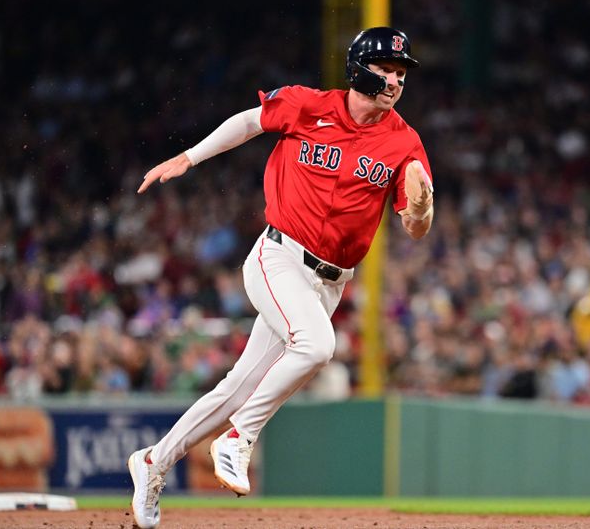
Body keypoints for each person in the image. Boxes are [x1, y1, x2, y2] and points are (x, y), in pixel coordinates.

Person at [128, 27, 434, 529]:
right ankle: (240, 438)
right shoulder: (307, 105)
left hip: (330, 283)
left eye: (401, 72)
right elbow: (250, 122)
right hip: (279, 257)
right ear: (359, 67)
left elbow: (416, 226)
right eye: (385, 69)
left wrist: (421, 207)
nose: (396, 80)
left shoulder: (404, 141)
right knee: (316, 347)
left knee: (235, 389)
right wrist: (190, 156)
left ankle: (152, 463)